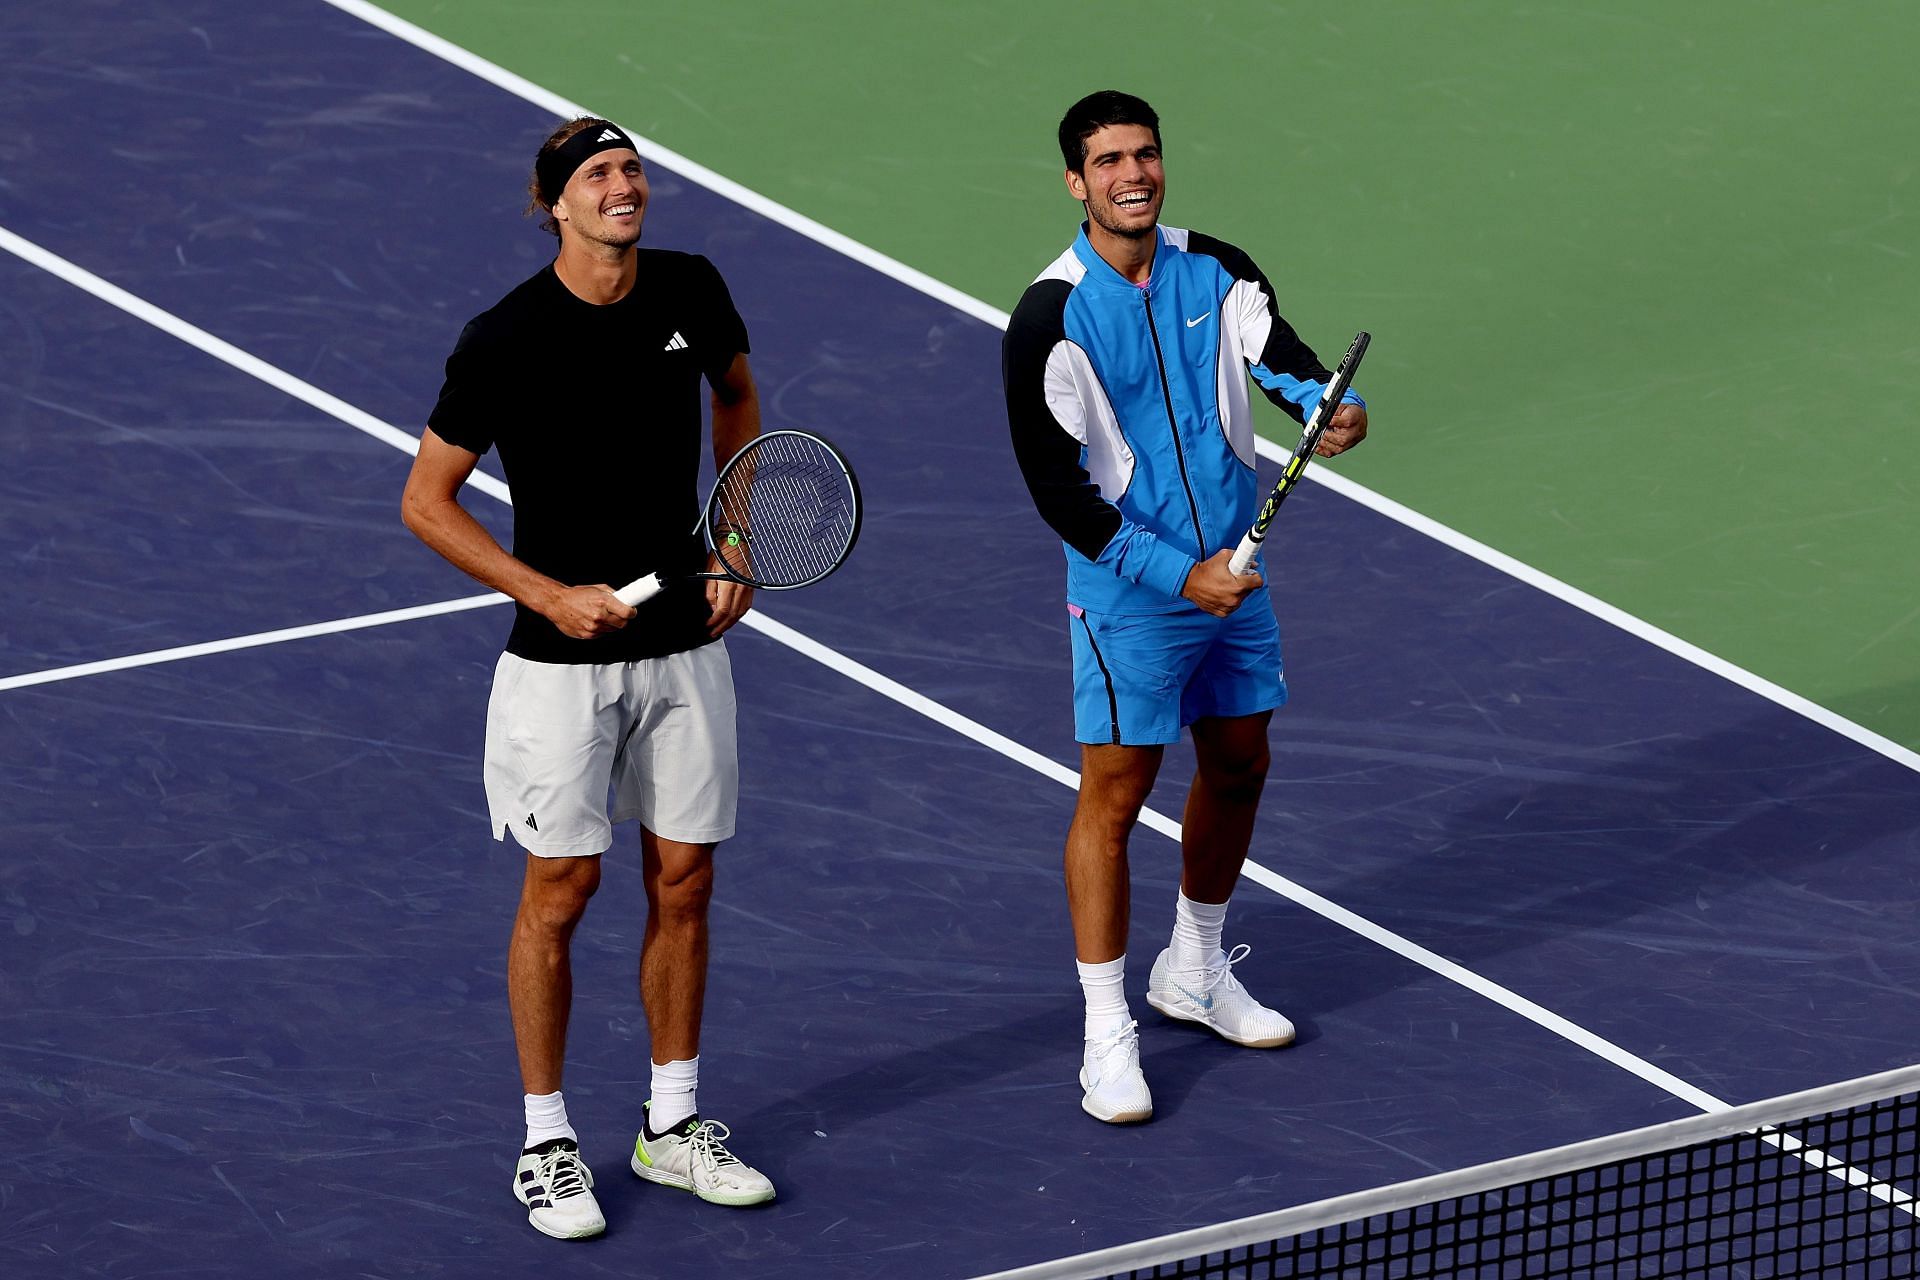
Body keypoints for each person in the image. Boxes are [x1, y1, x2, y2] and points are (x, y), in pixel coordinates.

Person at [402, 117, 775, 1240]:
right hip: (559, 666)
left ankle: (671, 1124)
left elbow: (740, 399)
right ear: (553, 204)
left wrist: (736, 536)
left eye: (631, 170)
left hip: (683, 650)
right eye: (597, 176)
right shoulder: (505, 337)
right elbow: (427, 500)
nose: (624, 187)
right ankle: (548, 1140)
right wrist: (545, 588)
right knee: (560, 894)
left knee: (686, 883)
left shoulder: (690, 289)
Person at [1001, 91, 1370, 1124]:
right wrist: (1176, 575)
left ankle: (1195, 965)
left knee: (1242, 755)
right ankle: (1105, 1031)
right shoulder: (1051, 317)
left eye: (1147, 154)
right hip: (1131, 588)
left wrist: (1325, 409)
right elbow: (1058, 490)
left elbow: (1286, 359)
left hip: (1232, 570)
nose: (1134, 173)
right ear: (1076, 182)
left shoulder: (1217, 265)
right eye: (1110, 159)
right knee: (1114, 796)